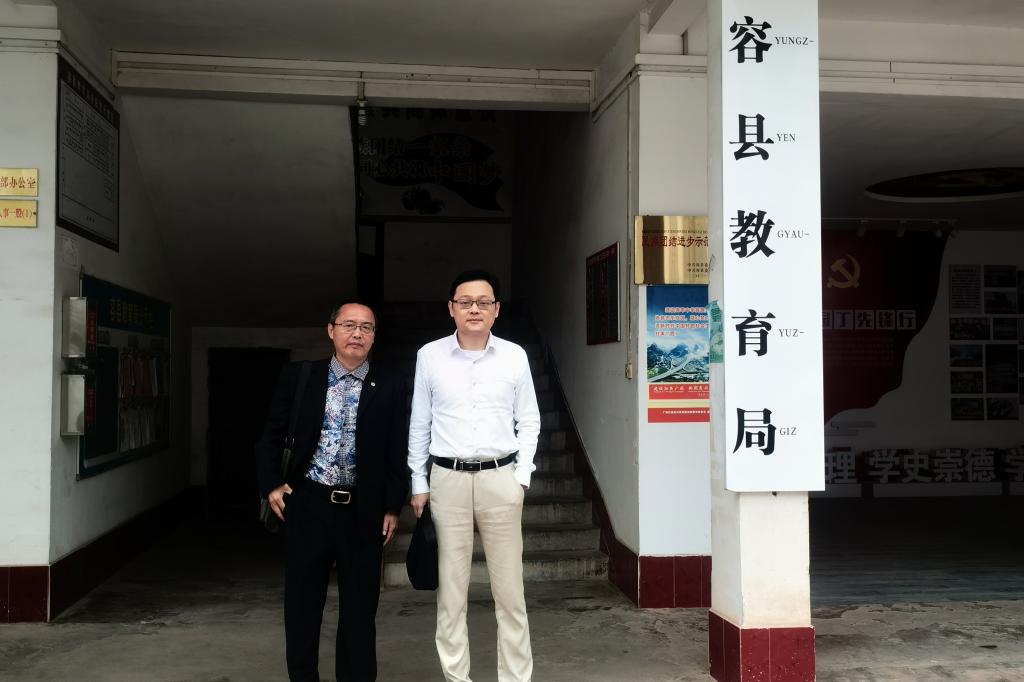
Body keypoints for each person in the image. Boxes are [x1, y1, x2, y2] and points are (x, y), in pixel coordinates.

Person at [256, 301, 408, 682]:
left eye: (366, 328)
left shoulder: (391, 384)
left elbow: (398, 448)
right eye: (349, 325)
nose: (357, 334)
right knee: (302, 605)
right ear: (331, 330)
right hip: (309, 504)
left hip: (364, 510)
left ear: (374, 336)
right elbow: (270, 435)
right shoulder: (302, 376)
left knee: (360, 609)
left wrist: (393, 505)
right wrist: (271, 484)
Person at [408, 270, 541, 682]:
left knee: (510, 592)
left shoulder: (514, 356)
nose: (474, 309)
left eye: (483, 302)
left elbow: (529, 419)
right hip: (447, 479)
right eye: (465, 302)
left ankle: (515, 678)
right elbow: (420, 422)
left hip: (500, 478)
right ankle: (456, 677)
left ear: (496, 310)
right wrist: (418, 481)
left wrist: (522, 475)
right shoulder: (430, 356)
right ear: (451, 308)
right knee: (451, 592)